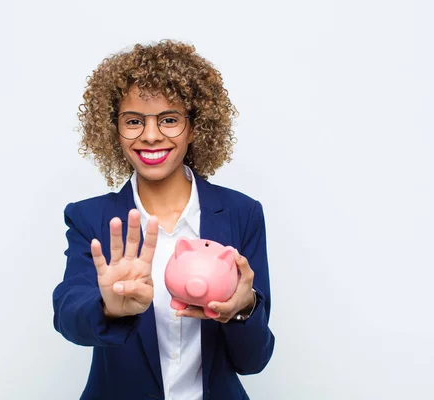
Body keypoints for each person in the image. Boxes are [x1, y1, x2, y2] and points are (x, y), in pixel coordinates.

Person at [52, 40, 275, 400]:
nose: (151, 135)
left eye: (169, 119)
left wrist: (243, 309)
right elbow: (67, 314)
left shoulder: (241, 213)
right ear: (114, 129)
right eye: (134, 121)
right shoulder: (89, 217)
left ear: (194, 126)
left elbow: (253, 360)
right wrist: (108, 307)